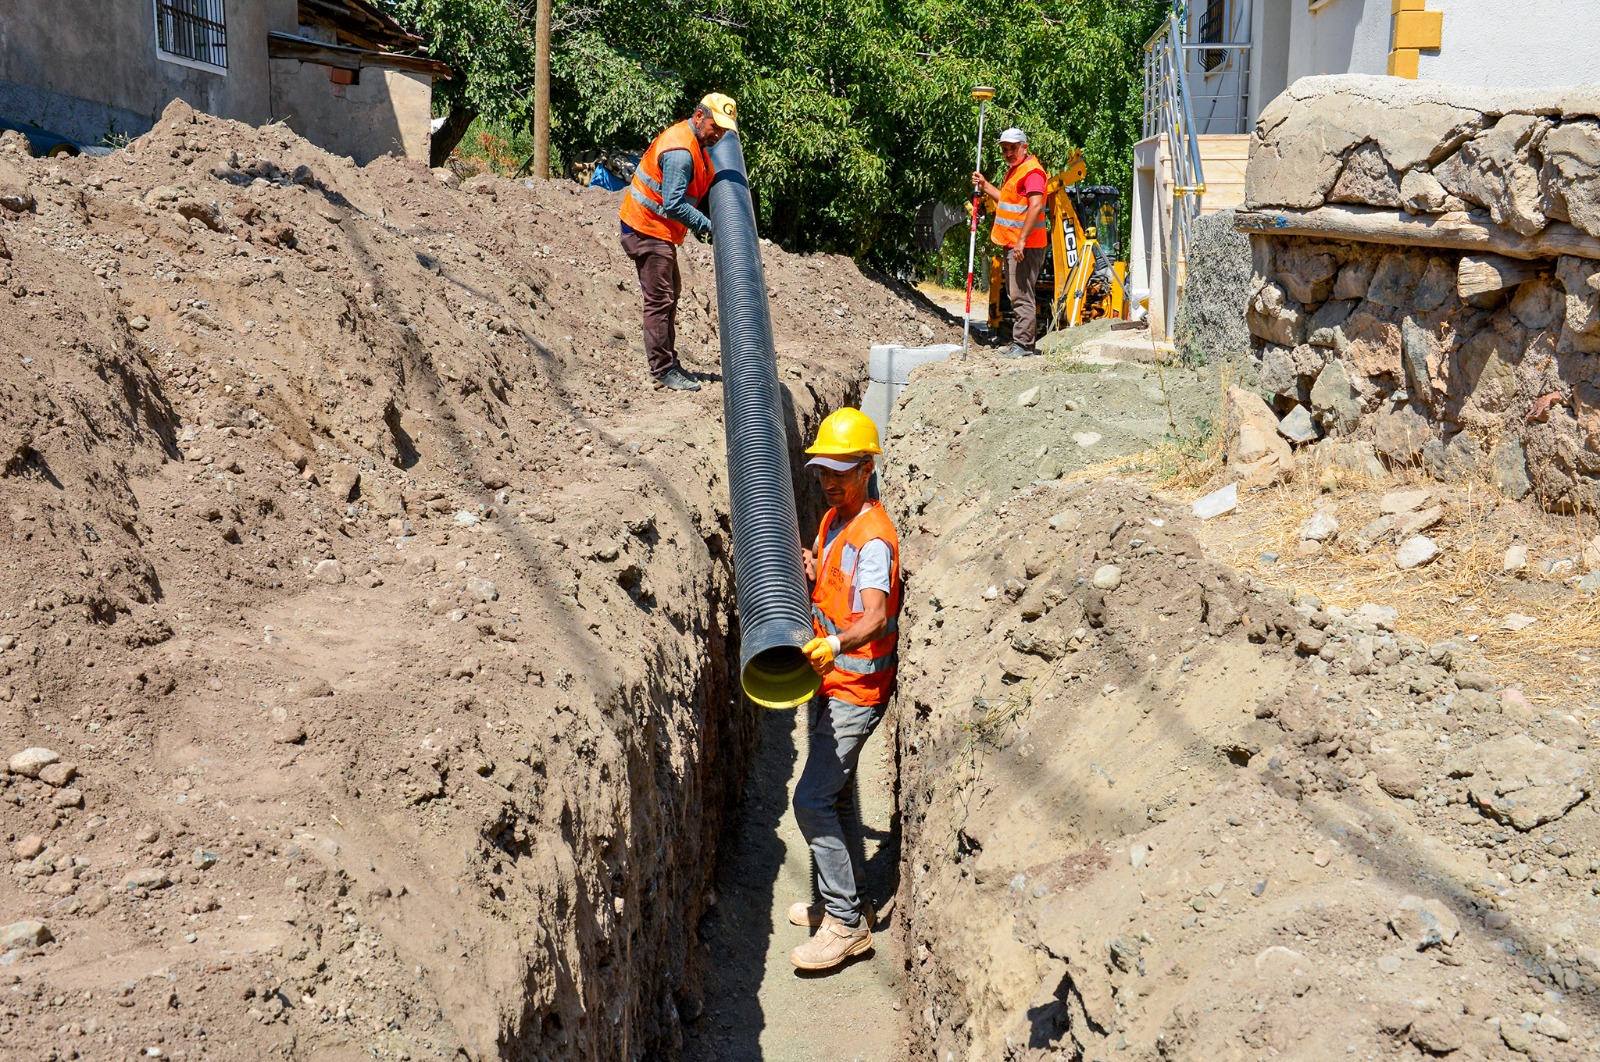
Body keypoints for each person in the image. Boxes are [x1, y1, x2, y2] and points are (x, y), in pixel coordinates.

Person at [790, 407, 902, 972]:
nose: (829, 482)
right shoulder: (836, 520)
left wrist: (834, 647)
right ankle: (851, 896)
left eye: (840, 472)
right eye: (822, 472)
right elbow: (838, 583)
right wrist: (813, 568)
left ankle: (845, 923)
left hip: (855, 688)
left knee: (809, 800)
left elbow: (876, 617)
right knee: (834, 795)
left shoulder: (875, 538)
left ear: (866, 469)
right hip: (827, 680)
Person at [618, 93, 739, 392]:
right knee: (660, 300)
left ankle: (668, 362)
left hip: (657, 229)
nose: (718, 135)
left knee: (670, 293)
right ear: (699, 117)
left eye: (724, 130)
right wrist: (710, 228)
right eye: (715, 127)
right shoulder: (681, 151)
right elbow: (673, 203)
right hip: (646, 229)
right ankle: (661, 370)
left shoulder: (695, 141)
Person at [973, 127, 1048, 358]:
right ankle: (1021, 343)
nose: (1008, 153)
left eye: (1013, 148)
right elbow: (1007, 201)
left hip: (1025, 246)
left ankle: (1024, 346)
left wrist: (1021, 241)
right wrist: (985, 185)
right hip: (1016, 245)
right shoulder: (1017, 171)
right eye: (1005, 149)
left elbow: (1036, 206)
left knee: (1021, 294)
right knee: (1015, 294)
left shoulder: (1032, 172)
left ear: (1025, 147)